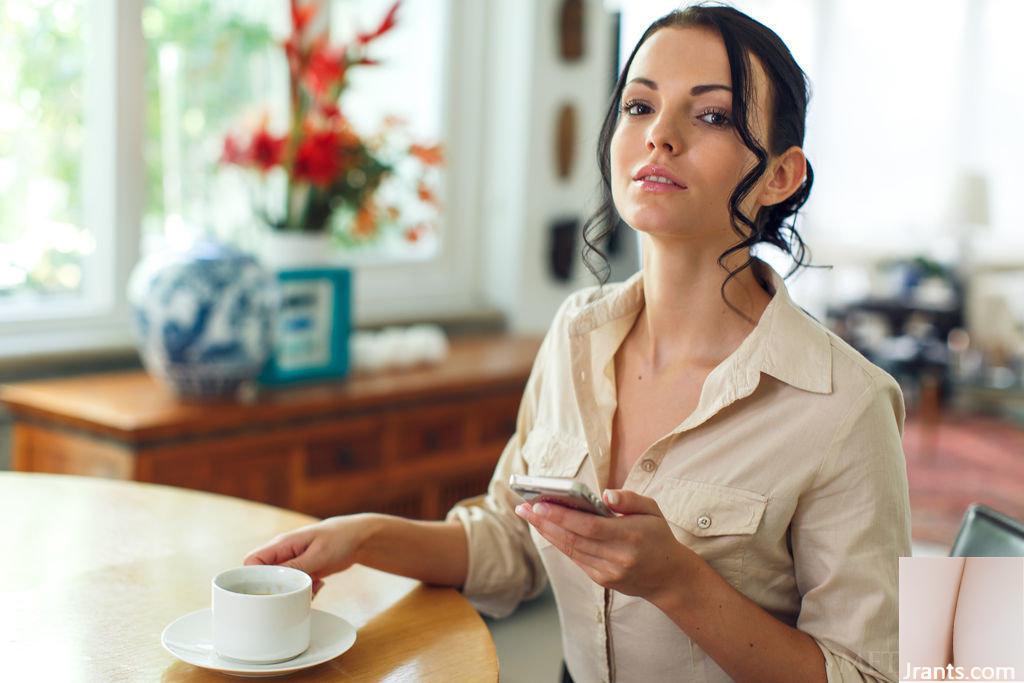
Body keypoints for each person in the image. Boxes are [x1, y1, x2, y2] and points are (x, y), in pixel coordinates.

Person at [244, 4, 911, 681]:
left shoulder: (846, 407)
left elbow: (867, 673)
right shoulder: (576, 334)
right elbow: (512, 539)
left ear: (781, 176)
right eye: (638, 105)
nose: (660, 136)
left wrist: (677, 581)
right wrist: (360, 536)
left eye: (711, 115)